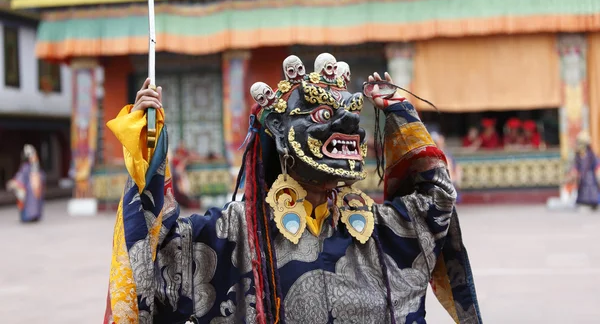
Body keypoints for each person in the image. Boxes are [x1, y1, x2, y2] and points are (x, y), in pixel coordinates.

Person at [103, 54, 482, 323]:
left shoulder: (376, 228)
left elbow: (436, 202)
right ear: (283, 139)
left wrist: (400, 112)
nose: (349, 122)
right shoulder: (238, 231)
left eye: (351, 111)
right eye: (321, 115)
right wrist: (147, 148)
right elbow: (154, 254)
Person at [6, 145, 45, 223]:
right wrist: (16, 183)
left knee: (35, 203)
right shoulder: (26, 167)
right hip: (29, 191)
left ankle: (35, 216)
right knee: (29, 204)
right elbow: (21, 177)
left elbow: (41, 176)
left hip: (35, 190)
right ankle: (29, 216)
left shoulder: (35, 167)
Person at [568, 132, 600, 210]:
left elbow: (597, 167)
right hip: (582, 179)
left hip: (591, 179)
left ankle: (593, 203)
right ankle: (584, 202)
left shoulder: (592, 155)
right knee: (583, 192)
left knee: (592, 190)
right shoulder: (578, 157)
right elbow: (575, 168)